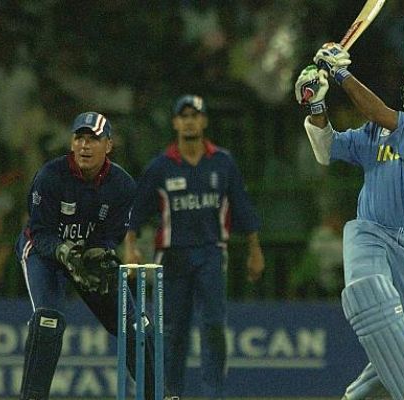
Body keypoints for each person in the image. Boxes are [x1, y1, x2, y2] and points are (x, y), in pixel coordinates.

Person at [295, 43, 404, 400]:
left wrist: (340, 74)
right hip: (369, 231)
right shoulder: (376, 131)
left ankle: (355, 396)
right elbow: (327, 150)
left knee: (403, 343)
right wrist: (317, 106)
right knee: (368, 295)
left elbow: (379, 112)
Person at [124, 94, 265, 399]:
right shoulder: (161, 166)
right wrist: (130, 247)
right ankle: (169, 393)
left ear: (204, 121)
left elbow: (242, 207)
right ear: (175, 123)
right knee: (171, 331)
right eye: (184, 116)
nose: (189, 121)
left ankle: (213, 394)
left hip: (211, 252)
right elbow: (135, 212)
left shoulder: (223, 162)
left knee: (213, 325)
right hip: (171, 256)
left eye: (195, 115)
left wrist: (255, 250)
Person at [15, 112, 156, 400]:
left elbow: (113, 234)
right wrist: (64, 252)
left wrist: (98, 253)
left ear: (109, 145)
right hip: (44, 254)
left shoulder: (123, 185)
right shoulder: (50, 175)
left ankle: (157, 394)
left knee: (134, 323)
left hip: (88, 258)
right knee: (48, 320)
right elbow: (39, 232)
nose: (84, 146)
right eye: (79, 138)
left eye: (93, 139)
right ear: (71, 143)